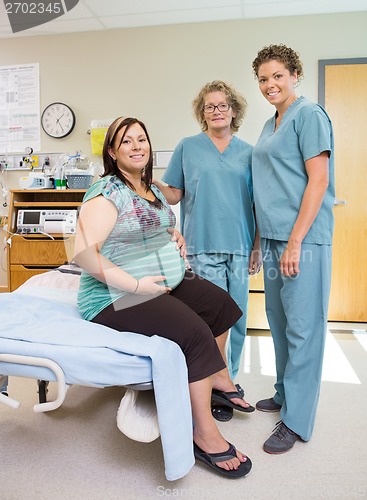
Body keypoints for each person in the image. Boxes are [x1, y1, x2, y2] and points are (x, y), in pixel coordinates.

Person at [74, 116, 253, 478]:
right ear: (112, 151)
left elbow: (155, 223)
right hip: (114, 296)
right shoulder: (107, 191)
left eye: (142, 139)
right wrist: (136, 286)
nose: (137, 146)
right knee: (194, 333)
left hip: (163, 281)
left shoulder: (149, 188)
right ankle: (202, 434)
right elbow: (83, 253)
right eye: (127, 141)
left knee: (222, 307)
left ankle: (218, 378)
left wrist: (174, 234)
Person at [154, 80, 261, 421]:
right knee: (211, 321)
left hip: (240, 245)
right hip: (201, 245)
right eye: (209, 106)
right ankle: (213, 385)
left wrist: (257, 247)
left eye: (222, 105)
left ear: (234, 110)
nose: (216, 111)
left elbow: (258, 205)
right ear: (203, 113)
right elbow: (175, 195)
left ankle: (230, 380)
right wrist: (150, 181)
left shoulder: (249, 152)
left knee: (238, 317)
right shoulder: (188, 147)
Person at [251, 44, 335, 454]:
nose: (270, 85)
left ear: (295, 74)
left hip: (303, 239)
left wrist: (297, 240)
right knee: (279, 323)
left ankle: (297, 421)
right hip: (272, 238)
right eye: (263, 79)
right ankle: (285, 393)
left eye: (278, 76)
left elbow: (317, 182)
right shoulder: (270, 124)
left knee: (304, 328)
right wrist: (259, 241)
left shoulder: (309, 115)